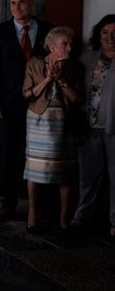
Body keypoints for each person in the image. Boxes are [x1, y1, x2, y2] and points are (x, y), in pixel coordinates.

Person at [0, 0, 53, 221]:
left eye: (22, 2)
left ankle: (38, 205)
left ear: (31, 3)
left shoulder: (48, 30)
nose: (17, 7)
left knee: (40, 155)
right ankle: (8, 202)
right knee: (8, 154)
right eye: (13, 3)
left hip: (41, 105)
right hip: (7, 105)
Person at [22, 27, 83, 233]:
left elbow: (76, 99)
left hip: (63, 124)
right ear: (51, 46)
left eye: (70, 43)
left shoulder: (75, 67)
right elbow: (27, 95)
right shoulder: (35, 63)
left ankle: (64, 219)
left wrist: (61, 80)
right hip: (38, 123)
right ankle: (32, 215)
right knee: (34, 171)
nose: (69, 47)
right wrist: (48, 79)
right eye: (64, 43)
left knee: (65, 172)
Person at [72, 14, 115, 239]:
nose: (110, 37)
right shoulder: (88, 57)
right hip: (88, 125)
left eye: (114, 32)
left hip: (113, 126)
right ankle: (82, 214)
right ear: (99, 34)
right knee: (87, 173)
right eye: (105, 32)